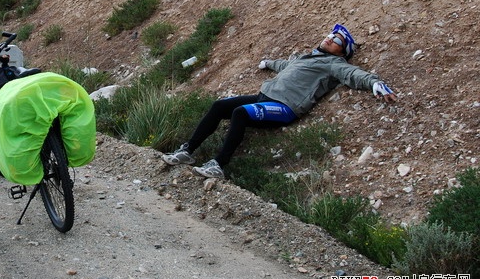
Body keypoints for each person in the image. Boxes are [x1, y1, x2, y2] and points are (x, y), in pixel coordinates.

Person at [162, 24, 398, 178]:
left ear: (342, 51)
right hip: (264, 98)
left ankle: (218, 165)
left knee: (240, 113)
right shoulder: (308, 58)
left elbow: (354, 75)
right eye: (329, 34)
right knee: (219, 106)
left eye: (335, 39)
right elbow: (286, 65)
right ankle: (188, 151)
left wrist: (375, 83)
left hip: (284, 108)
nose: (328, 38)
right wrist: (268, 63)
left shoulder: (334, 64)